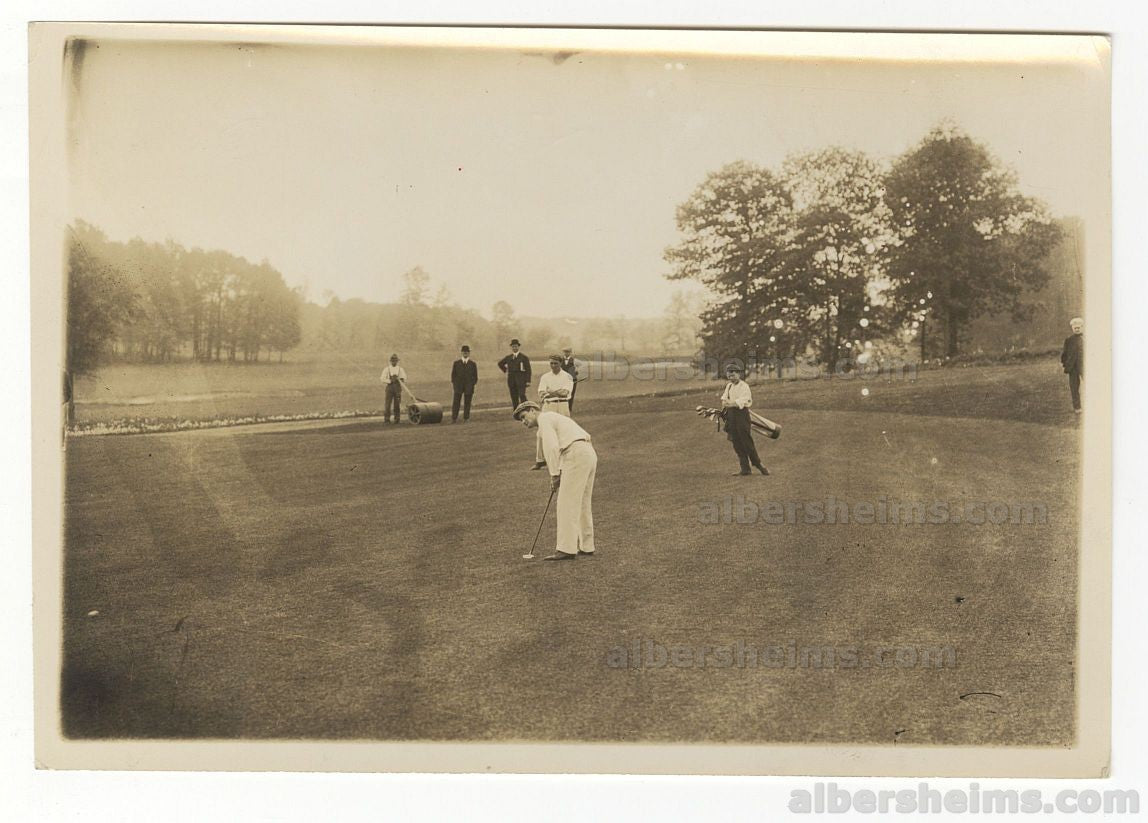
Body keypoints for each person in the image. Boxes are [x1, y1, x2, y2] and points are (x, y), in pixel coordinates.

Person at [514, 400, 597, 561]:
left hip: (575, 454)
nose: (524, 422)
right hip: (587, 453)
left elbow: (552, 447)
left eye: (524, 417)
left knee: (566, 502)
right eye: (521, 421)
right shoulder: (551, 418)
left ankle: (566, 549)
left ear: (532, 411)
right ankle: (587, 546)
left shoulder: (544, 419)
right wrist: (557, 472)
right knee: (582, 502)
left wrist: (554, 475)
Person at [721, 364, 769, 476]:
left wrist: (730, 404)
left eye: (733, 373)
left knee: (746, 441)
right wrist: (726, 407)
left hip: (742, 415)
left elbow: (741, 402)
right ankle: (745, 469)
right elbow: (724, 400)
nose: (731, 375)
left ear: (739, 374)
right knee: (736, 442)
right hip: (731, 416)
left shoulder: (744, 386)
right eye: (729, 373)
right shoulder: (729, 386)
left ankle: (758, 464)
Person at [530, 354, 575, 469]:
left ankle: (568, 459)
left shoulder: (568, 376)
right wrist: (555, 392)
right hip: (549, 406)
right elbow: (541, 393)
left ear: (560, 363)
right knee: (541, 433)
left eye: (555, 363)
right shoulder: (545, 377)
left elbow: (565, 393)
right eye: (551, 363)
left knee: (566, 432)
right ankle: (540, 460)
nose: (553, 365)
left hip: (563, 405)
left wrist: (550, 392)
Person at [497, 339, 532, 410]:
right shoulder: (508, 357)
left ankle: (527, 409)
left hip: (521, 380)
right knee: (514, 396)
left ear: (518, 347)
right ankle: (516, 411)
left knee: (522, 395)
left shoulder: (524, 357)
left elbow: (528, 370)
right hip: (511, 380)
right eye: (513, 346)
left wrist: (528, 381)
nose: (514, 348)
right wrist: (506, 370)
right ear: (511, 347)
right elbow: (500, 363)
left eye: (516, 346)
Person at [1060, 317, 1084, 414]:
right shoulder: (1069, 340)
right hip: (1073, 368)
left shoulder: (1086, 339)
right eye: (1075, 328)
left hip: (1084, 367)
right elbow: (1064, 354)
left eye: (1078, 327)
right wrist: (1066, 363)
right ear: (1072, 329)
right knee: (1074, 387)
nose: (1077, 329)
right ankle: (1077, 407)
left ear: (1082, 327)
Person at [450, 345, 479, 422]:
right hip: (458, 386)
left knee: (467, 403)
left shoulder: (473, 364)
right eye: (464, 352)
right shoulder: (456, 363)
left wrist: (472, 384)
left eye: (467, 352)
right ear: (461, 353)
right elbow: (453, 376)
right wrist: (455, 385)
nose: (465, 353)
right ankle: (454, 418)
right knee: (456, 402)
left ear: (469, 353)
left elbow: (475, 377)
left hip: (469, 386)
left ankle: (466, 418)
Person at [379, 353, 407, 424]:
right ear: (390, 361)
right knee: (387, 404)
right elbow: (382, 378)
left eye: (395, 360)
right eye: (393, 360)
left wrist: (401, 379)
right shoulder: (386, 369)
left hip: (397, 388)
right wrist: (390, 381)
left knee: (397, 404)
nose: (394, 362)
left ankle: (397, 419)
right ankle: (387, 419)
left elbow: (404, 378)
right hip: (389, 388)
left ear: (397, 361)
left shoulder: (400, 369)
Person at [560, 347, 579, 412]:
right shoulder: (560, 360)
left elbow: (577, 371)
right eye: (565, 352)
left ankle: (569, 408)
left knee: (571, 394)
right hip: (562, 379)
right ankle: (563, 408)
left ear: (570, 352)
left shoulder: (574, 360)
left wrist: (574, 372)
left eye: (568, 352)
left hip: (572, 380)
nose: (566, 353)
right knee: (562, 393)